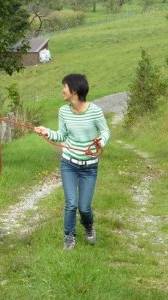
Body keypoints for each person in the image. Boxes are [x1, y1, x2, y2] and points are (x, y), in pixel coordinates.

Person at [34, 73, 110, 250]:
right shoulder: (64, 111)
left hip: (89, 166)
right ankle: (69, 236)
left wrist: (100, 142)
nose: (62, 90)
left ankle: (88, 226)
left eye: (64, 86)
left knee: (84, 207)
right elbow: (61, 135)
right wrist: (46, 132)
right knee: (71, 204)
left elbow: (105, 131)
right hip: (69, 164)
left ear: (74, 90)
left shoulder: (95, 111)